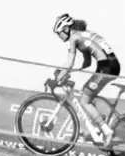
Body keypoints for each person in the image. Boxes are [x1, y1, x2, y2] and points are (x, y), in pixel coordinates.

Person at [51, 13, 120, 146]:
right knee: (86, 91)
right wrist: (72, 71)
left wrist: (59, 77)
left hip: (105, 67)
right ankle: (98, 121)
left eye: (59, 33)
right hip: (112, 65)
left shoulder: (74, 37)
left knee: (84, 101)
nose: (60, 37)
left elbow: (69, 62)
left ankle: (106, 130)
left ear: (66, 28)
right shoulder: (85, 34)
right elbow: (87, 62)